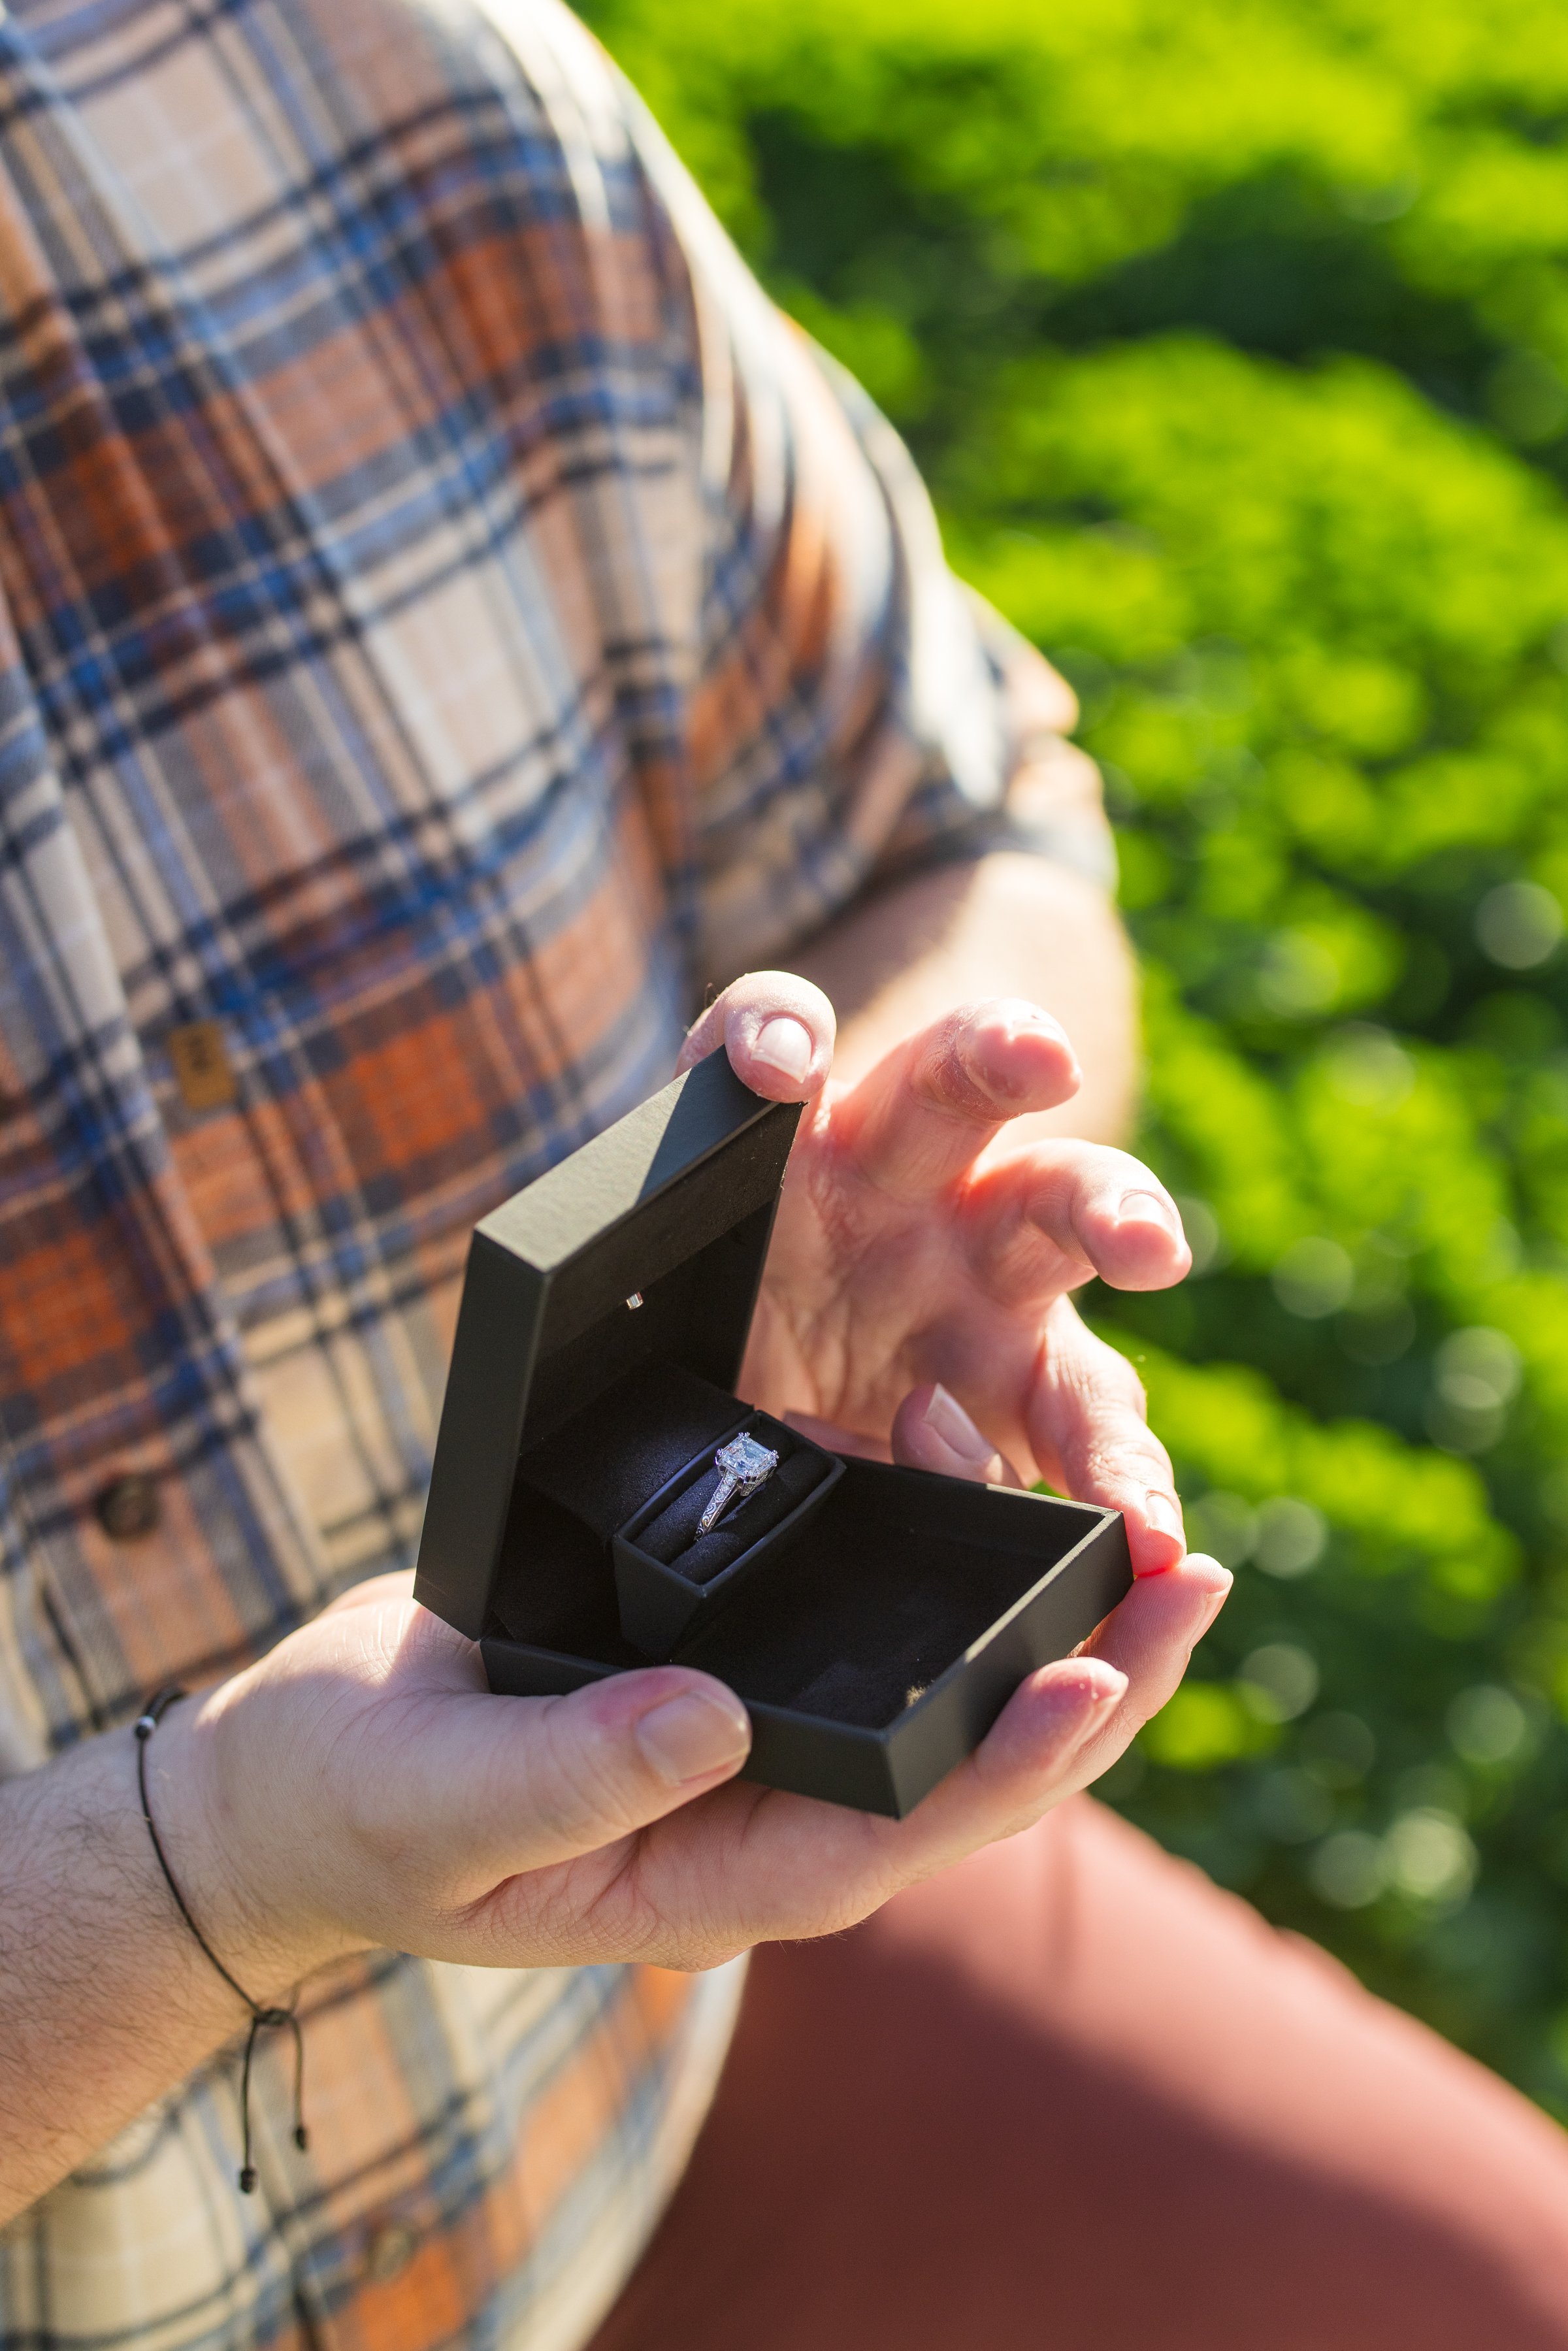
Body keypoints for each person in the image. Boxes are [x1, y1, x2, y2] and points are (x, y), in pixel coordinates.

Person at [1, 3, 1566, 2348]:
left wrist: (918, 1164)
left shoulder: (365, 72)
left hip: (668, 2022)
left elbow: (967, 819)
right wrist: (214, 1867)